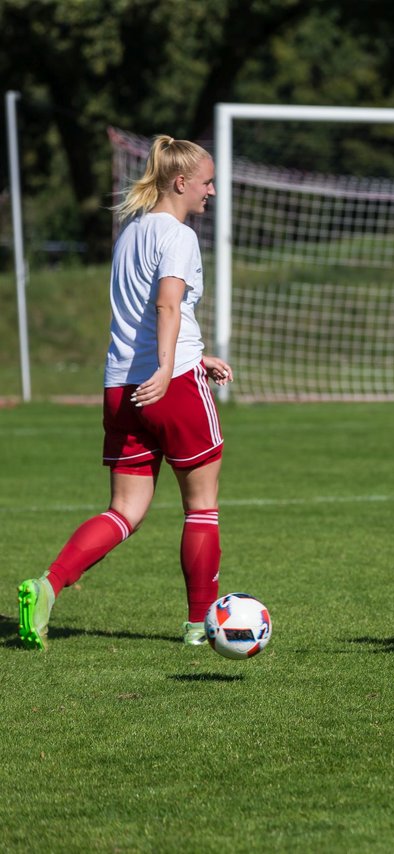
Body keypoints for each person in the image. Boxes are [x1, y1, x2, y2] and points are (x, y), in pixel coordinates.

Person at [16, 135, 233, 652]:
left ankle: (49, 585)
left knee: (124, 511)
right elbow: (164, 305)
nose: (213, 192)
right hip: (169, 382)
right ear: (181, 183)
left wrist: (190, 353)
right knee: (201, 507)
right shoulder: (178, 236)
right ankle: (199, 625)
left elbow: (140, 313)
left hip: (120, 386)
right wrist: (169, 366)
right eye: (207, 183)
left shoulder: (131, 232)